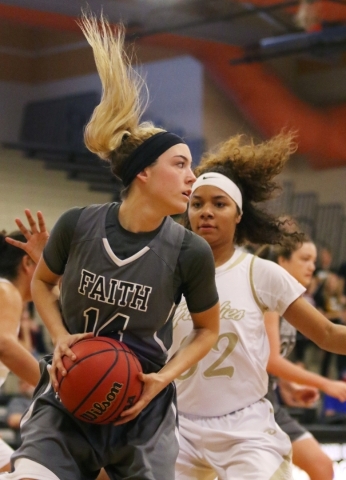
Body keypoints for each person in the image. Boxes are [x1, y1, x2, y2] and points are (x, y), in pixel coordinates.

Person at [1, 12, 220, 480]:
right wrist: (59, 337)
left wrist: (164, 376)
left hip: (142, 405)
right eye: (180, 164)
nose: (191, 177)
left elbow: (206, 331)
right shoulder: (78, 224)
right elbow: (42, 284)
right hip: (68, 395)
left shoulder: (190, 251)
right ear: (143, 172)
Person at [170, 131, 346, 480]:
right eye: (197, 203)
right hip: (178, 423)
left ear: (238, 215)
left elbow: (326, 333)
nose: (206, 212)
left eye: (219, 204)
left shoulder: (259, 272)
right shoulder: (167, 271)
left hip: (244, 427)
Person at [257, 237, 346, 479]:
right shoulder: (267, 299)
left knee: (322, 466)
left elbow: (265, 363)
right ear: (282, 261)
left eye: (314, 261)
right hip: (246, 406)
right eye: (305, 259)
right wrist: (327, 383)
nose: (311, 267)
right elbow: (271, 360)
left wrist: (290, 388)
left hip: (268, 401)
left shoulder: (293, 306)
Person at [0, 230, 41, 473]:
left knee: (16, 470)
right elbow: (4, 345)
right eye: (48, 266)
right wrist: (56, 385)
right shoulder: (7, 291)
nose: (54, 276)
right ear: (27, 262)